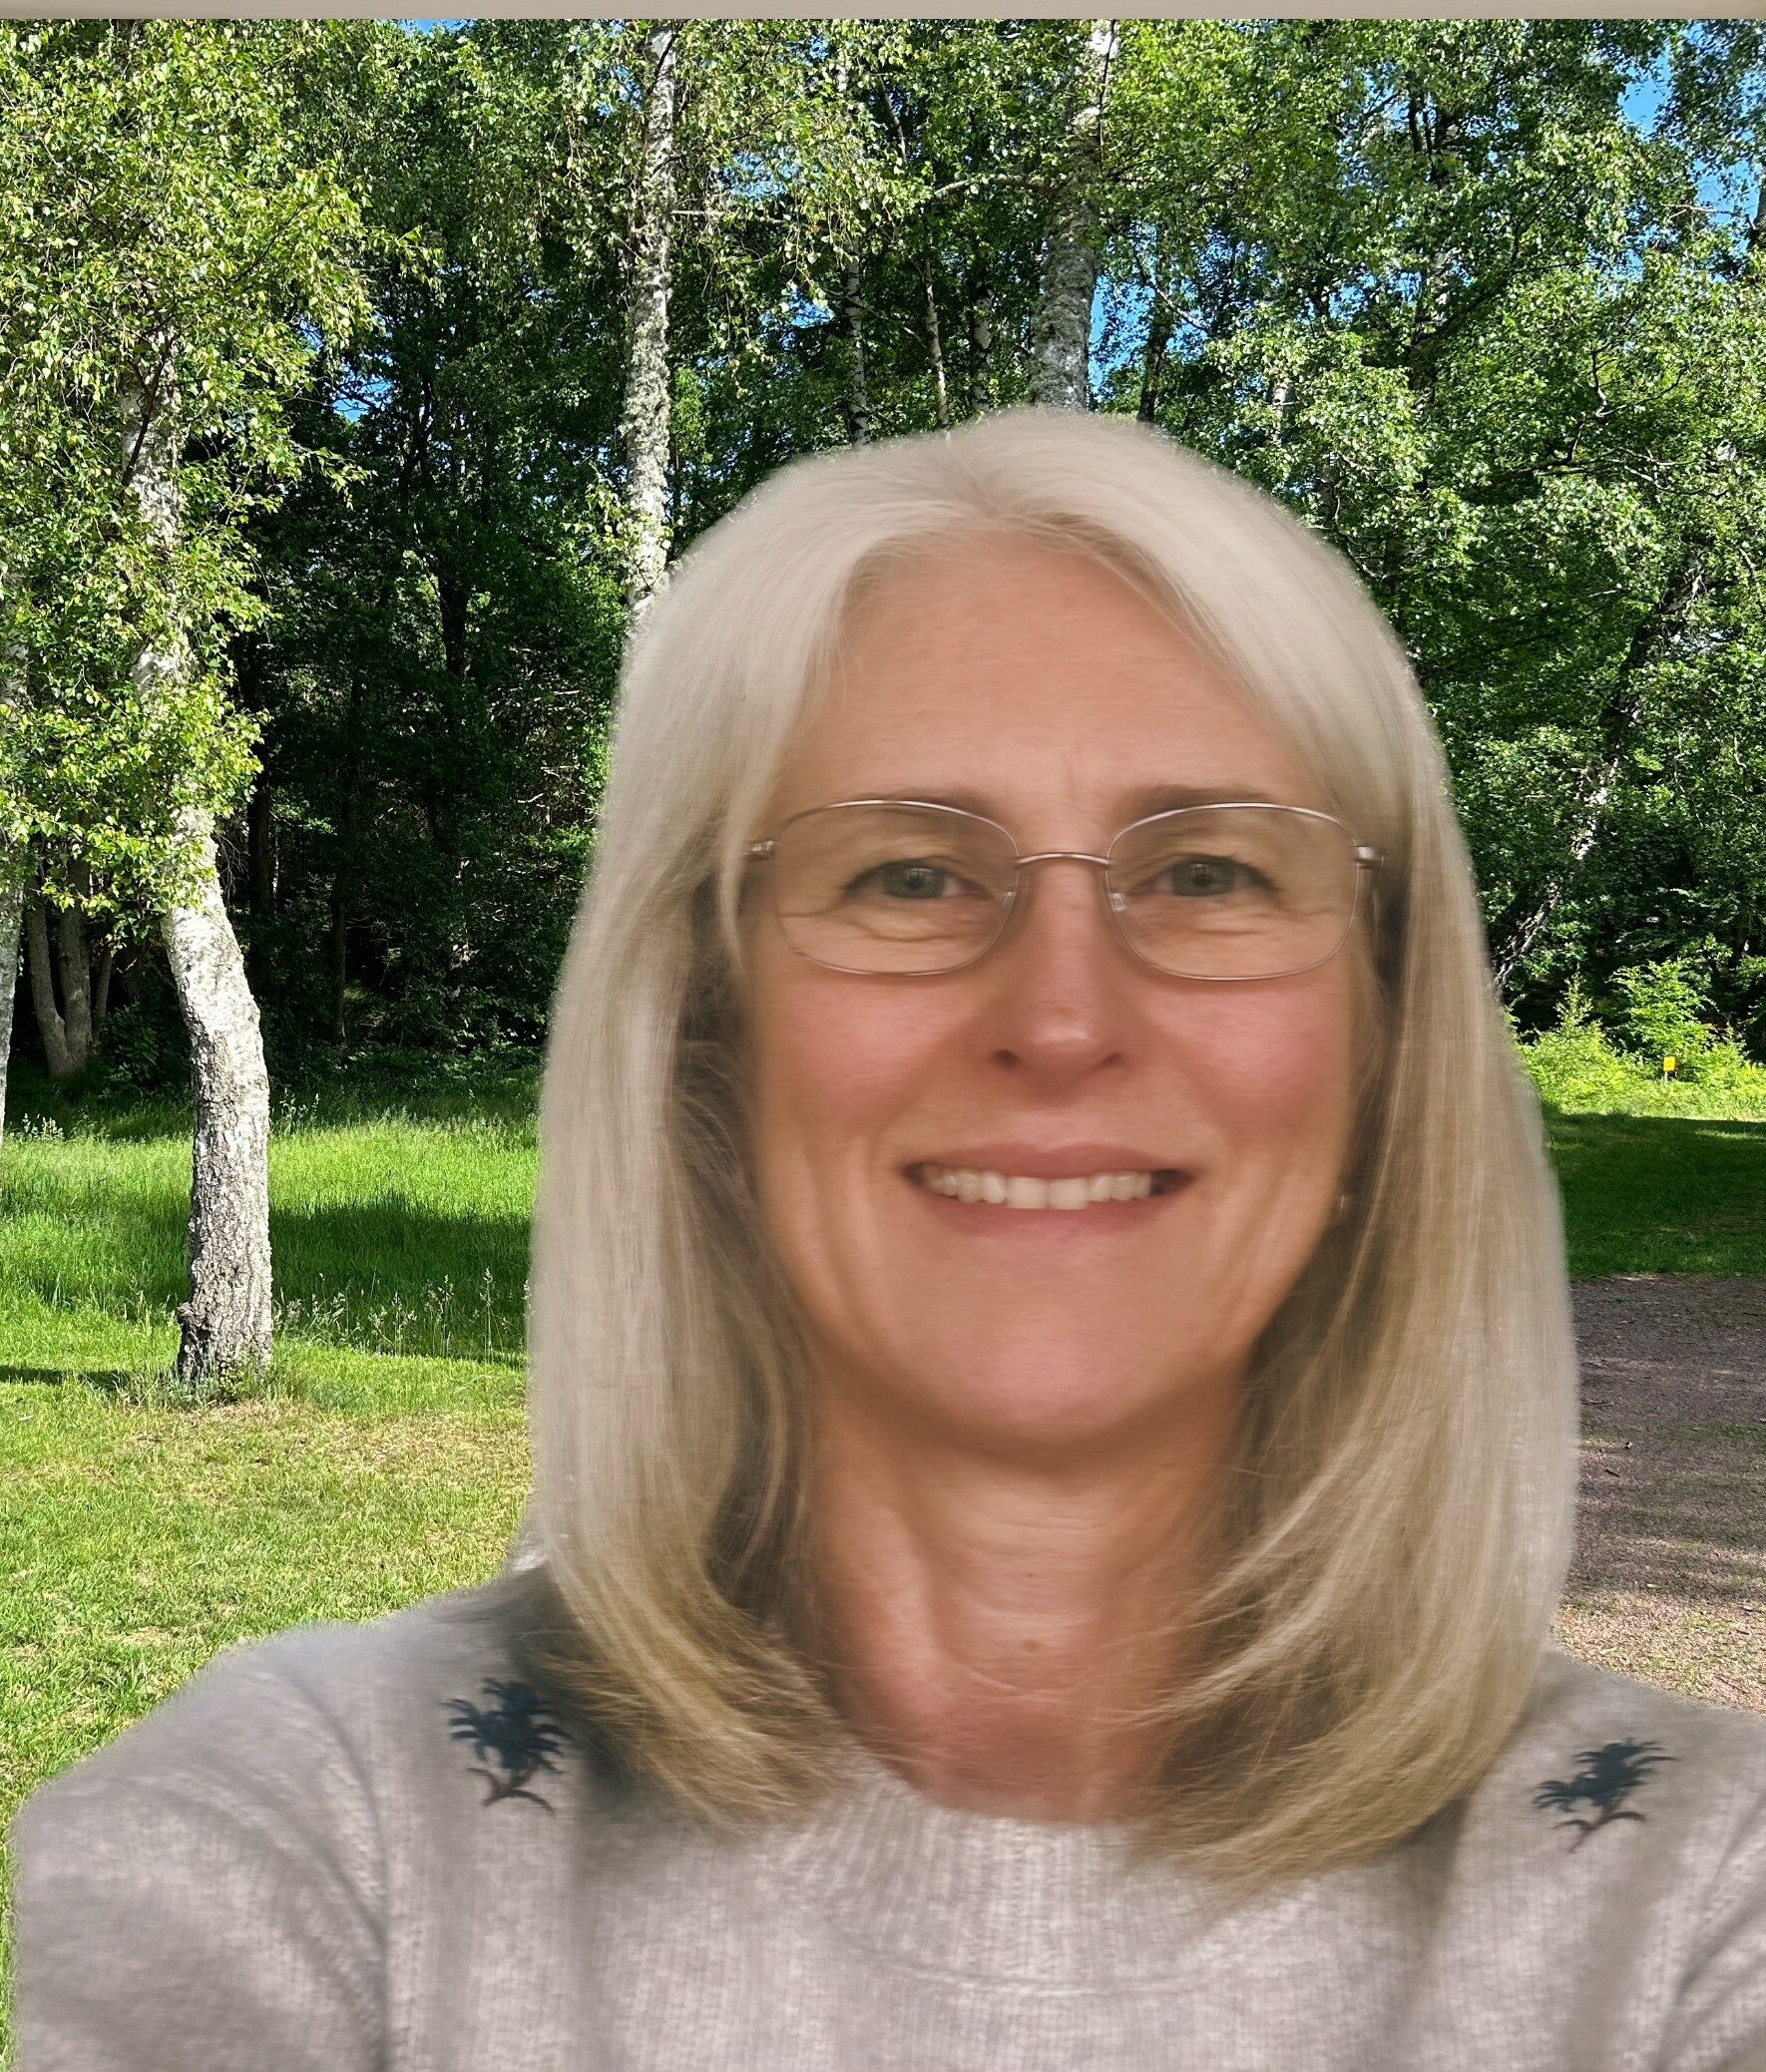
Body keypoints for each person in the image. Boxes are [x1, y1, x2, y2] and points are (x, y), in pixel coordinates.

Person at [12, 406, 1766, 2072]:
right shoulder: (328, 1838)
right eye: (907, 876)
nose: (1061, 1017)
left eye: (1210, 873)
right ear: (702, 1033)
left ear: (1385, 1045)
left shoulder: (1687, 1899)